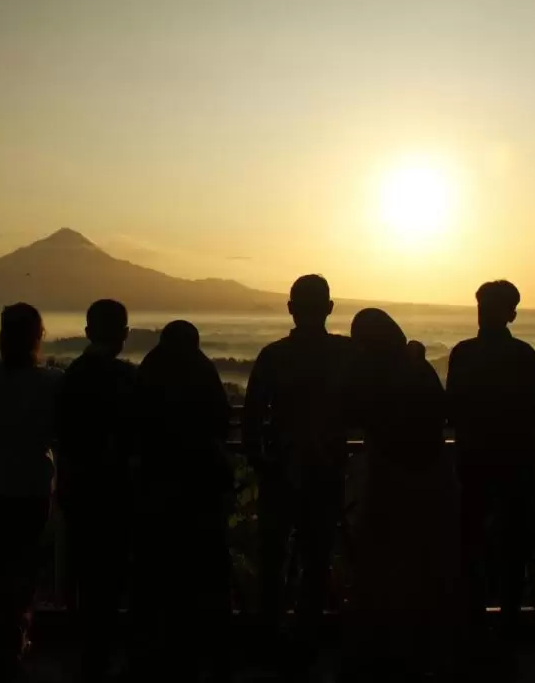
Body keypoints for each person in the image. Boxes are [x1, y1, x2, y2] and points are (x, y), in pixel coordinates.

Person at [344, 310, 461, 681]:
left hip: (390, 478)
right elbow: (442, 412)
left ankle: (386, 644)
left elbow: (360, 415)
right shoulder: (416, 369)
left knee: (386, 566)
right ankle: (424, 646)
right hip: (431, 475)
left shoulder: (370, 375)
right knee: (425, 565)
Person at [243, 275, 352, 657]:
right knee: (317, 555)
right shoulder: (346, 354)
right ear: (329, 308)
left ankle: (269, 633)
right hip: (325, 470)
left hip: (280, 468)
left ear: (290, 308)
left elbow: (252, 419)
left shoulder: (273, 356)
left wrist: (262, 461)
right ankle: (308, 633)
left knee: (274, 556)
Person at [0, 303, 61, 679]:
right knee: (24, 565)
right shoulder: (52, 382)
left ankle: (0, 637)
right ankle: (15, 638)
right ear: (39, 337)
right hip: (31, 485)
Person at [133, 321, 233, 682]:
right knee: (205, 570)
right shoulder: (204, 372)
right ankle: (208, 649)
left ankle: (159, 647)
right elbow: (220, 420)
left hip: (157, 488)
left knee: (159, 569)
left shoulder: (149, 370)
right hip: (202, 489)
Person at [446, 280, 535, 644]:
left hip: (474, 457)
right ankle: (509, 618)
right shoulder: (524, 354)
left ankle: (474, 616)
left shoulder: (464, 353)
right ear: (512, 314)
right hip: (516, 458)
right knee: (512, 542)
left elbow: (452, 407)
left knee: (471, 539)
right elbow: (532, 410)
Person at [55, 299, 137, 682]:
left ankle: (90, 654)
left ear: (88, 332)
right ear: (124, 334)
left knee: (86, 575)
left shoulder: (71, 376)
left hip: (79, 490)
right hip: (119, 493)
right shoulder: (127, 379)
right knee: (117, 575)